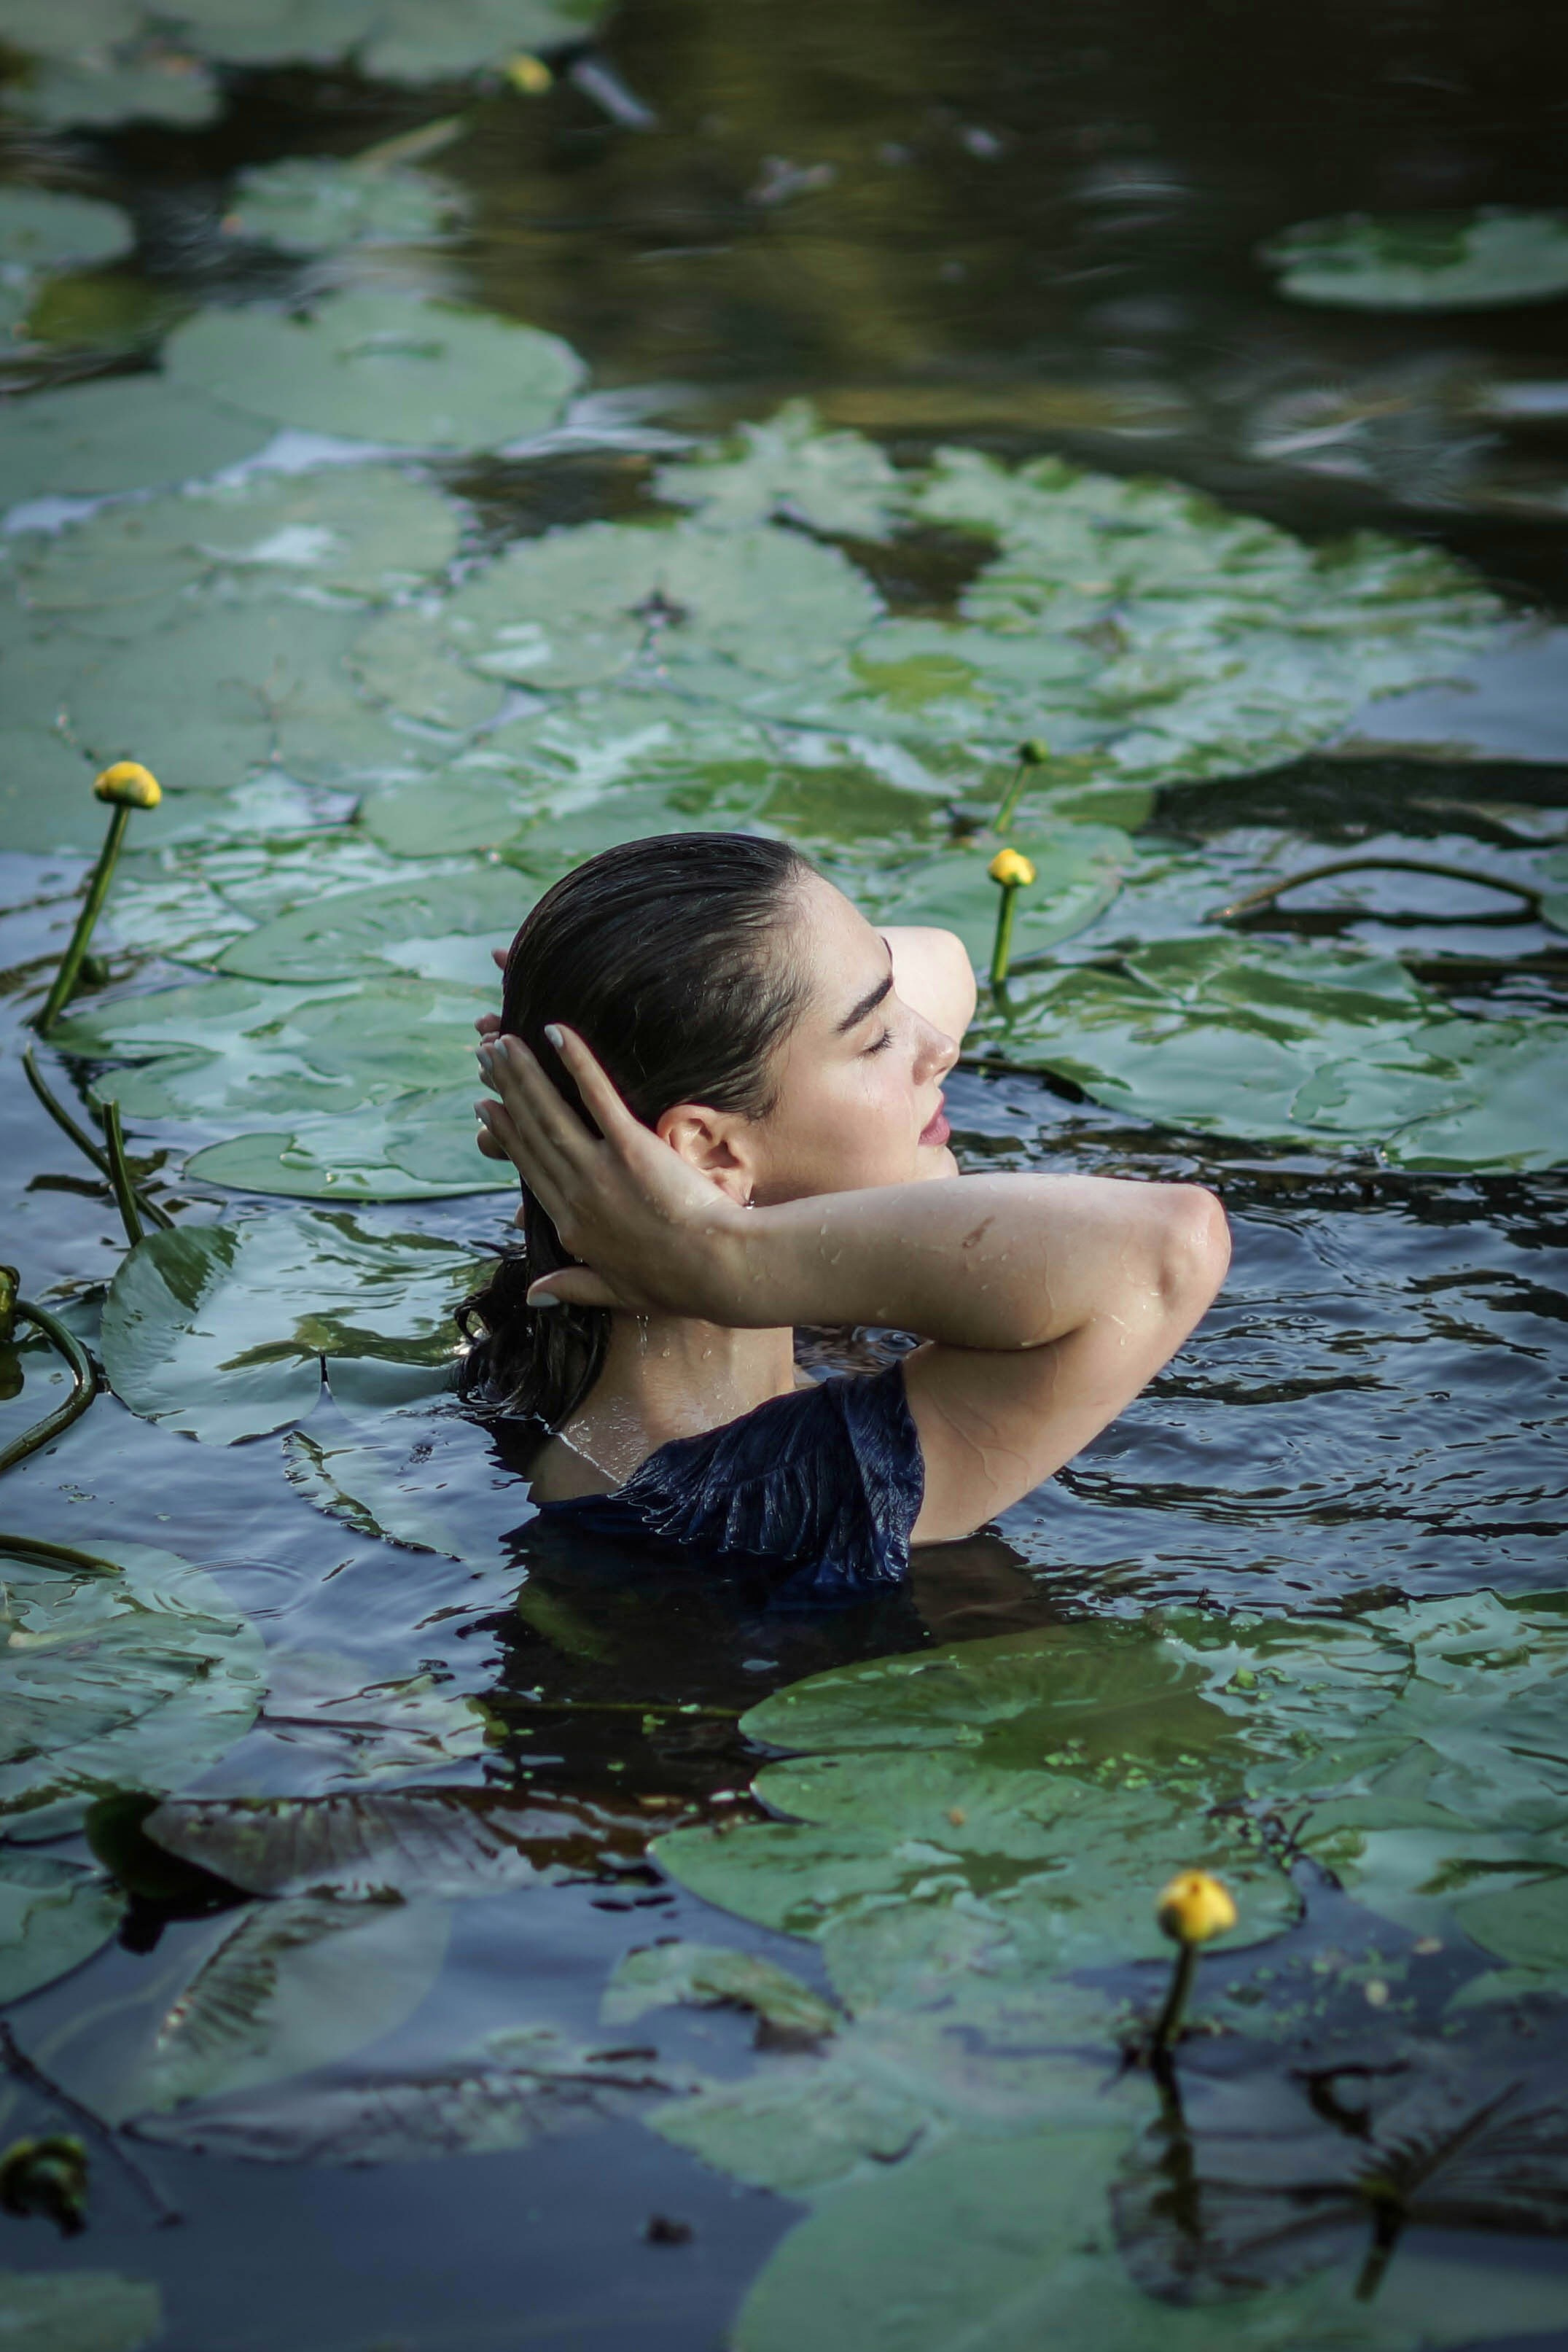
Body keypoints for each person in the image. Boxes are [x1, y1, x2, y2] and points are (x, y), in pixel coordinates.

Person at [463, 832, 1229, 1605]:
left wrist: (600, 976)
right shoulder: (734, 1503)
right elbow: (1167, 1246)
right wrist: (728, 1257)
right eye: (876, 1039)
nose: (940, 1047)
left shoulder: (553, 1359)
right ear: (709, 1149)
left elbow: (946, 958)